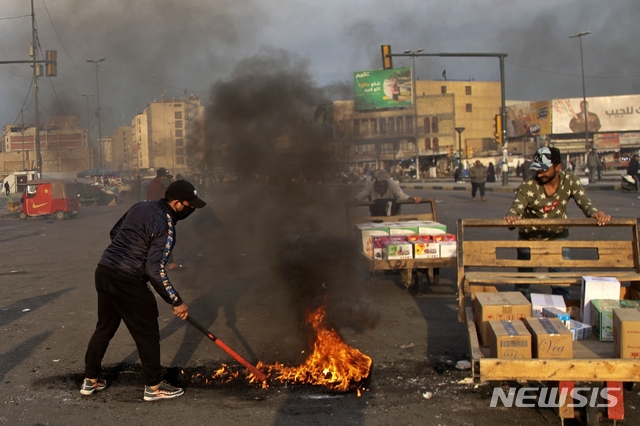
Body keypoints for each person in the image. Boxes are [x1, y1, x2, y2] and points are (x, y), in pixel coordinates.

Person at [81, 180, 206, 401]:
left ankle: (90, 380)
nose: (192, 209)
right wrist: (176, 301)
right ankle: (154, 386)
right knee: (147, 333)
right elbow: (155, 270)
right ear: (177, 203)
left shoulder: (141, 206)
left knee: (104, 328)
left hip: (105, 270)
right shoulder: (166, 225)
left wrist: (129, 255)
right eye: (190, 204)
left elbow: (115, 232)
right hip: (127, 280)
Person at [504, 147, 611, 299]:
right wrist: (512, 218)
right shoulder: (528, 186)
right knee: (523, 283)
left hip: (558, 236)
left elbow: (585, 203)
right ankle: (519, 309)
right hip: (530, 238)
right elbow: (515, 209)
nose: (540, 174)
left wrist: (595, 213)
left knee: (561, 283)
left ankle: (561, 314)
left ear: (558, 167)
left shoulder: (569, 180)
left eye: (544, 170)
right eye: (537, 170)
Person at [146, 168, 180, 270]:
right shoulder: (155, 186)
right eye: (166, 177)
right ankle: (170, 263)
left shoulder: (162, 185)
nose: (167, 179)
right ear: (161, 177)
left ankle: (169, 263)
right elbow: (151, 201)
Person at [355, 169, 421, 216]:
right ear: (376, 179)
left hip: (393, 216)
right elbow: (363, 194)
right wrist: (356, 199)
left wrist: (410, 198)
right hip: (377, 216)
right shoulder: (371, 185)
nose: (382, 184)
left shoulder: (393, 184)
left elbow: (401, 195)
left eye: (384, 181)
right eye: (381, 182)